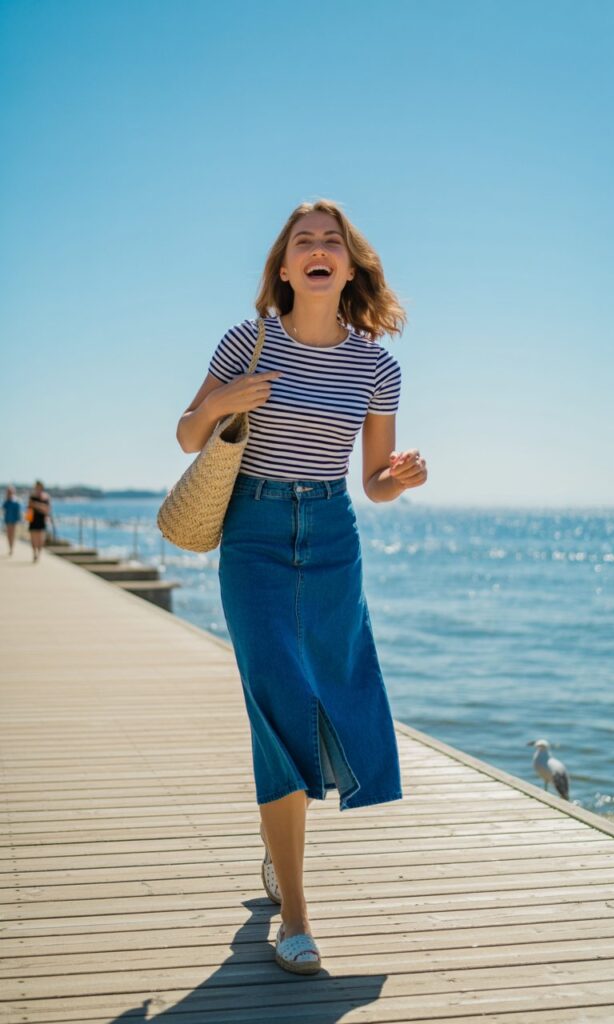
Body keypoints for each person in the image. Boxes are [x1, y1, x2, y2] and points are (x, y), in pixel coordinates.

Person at [176, 199, 428, 975]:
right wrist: (222, 401)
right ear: (284, 268)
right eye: (303, 242)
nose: (318, 250)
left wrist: (399, 478)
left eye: (333, 242)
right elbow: (189, 432)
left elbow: (373, 481)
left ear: (349, 266)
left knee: (335, 697)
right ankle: (296, 910)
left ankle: (275, 855)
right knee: (276, 699)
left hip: (330, 537)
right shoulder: (245, 341)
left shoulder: (376, 366)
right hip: (251, 534)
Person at [27, 480, 51, 562]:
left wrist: (36, 505)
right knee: (33, 538)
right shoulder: (32, 496)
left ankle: (39, 555)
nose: (38, 488)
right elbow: (30, 505)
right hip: (33, 520)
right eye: (37, 487)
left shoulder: (46, 497)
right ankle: (34, 554)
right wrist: (41, 506)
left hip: (41, 520)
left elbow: (47, 509)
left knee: (41, 539)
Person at [2, 485, 22, 555]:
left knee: (12, 534)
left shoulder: (16, 501)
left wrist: (19, 520)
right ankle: (10, 547)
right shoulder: (6, 501)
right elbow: (3, 509)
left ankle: (11, 548)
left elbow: (18, 511)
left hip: (14, 520)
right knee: (8, 534)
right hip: (7, 520)